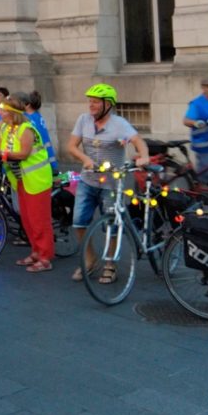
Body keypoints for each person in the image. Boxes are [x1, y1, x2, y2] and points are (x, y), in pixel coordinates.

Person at [67, 84, 149, 283]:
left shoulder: (119, 124)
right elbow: (71, 146)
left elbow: (139, 142)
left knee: (111, 226)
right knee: (78, 221)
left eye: (95, 102)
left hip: (112, 184)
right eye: (90, 101)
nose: (91, 105)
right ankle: (90, 258)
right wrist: (84, 159)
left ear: (108, 104)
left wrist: (144, 156)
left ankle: (110, 264)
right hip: (87, 181)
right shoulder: (83, 120)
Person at [0, 94, 55, 272]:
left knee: (39, 220)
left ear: (12, 112)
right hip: (21, 179)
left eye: (3, 110)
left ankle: (45, 257)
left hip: (37, 179)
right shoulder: (5, 127)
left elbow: (23, 154)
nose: (0, 112)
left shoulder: (26, 128)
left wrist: (1, 154)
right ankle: (36, 251)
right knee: (26, 219)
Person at [183, 75, 208, 185]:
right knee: (207, 173)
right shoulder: (197, 104)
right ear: (203, 88)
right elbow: (186, 120)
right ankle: (201, 194)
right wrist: (196, 123)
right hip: (204, 146)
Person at [25, 91, 58, 172]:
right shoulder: (37, 116)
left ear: (28, 104)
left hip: (35, 160)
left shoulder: (28, 118)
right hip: (44, 157)